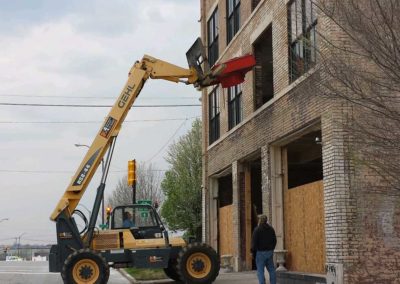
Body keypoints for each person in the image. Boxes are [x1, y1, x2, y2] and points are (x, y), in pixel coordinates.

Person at [251, 214, 277, 284]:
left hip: (260, 253)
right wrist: (272, 249)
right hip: (269, 252)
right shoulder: (271, 229)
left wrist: (253, 253)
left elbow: (254, 243)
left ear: (260, 220)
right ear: (266, 220)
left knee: (260, 271)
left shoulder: (257, 230)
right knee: (271, 270)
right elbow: (274, 240)